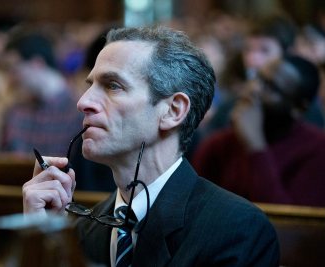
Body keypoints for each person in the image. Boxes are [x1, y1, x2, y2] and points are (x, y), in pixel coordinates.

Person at [23, 26, 279, 266]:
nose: (83, 102)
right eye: (90, 85)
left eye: (113, 85)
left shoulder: (237, 230)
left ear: (172, 110)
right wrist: (43, 240)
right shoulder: (82, 230)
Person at [191, 55, 325, 207]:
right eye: (257, 77)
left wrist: (256, 146)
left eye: (271, 87)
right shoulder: (218, 144)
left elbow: (292, 225)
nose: (254, 89)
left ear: (298, 108)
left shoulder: (322, 151)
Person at [1, 29, 83, 157]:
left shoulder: (78, 110)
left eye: (14, 69)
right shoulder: (18, 109)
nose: (10, 79)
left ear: (37, 64)